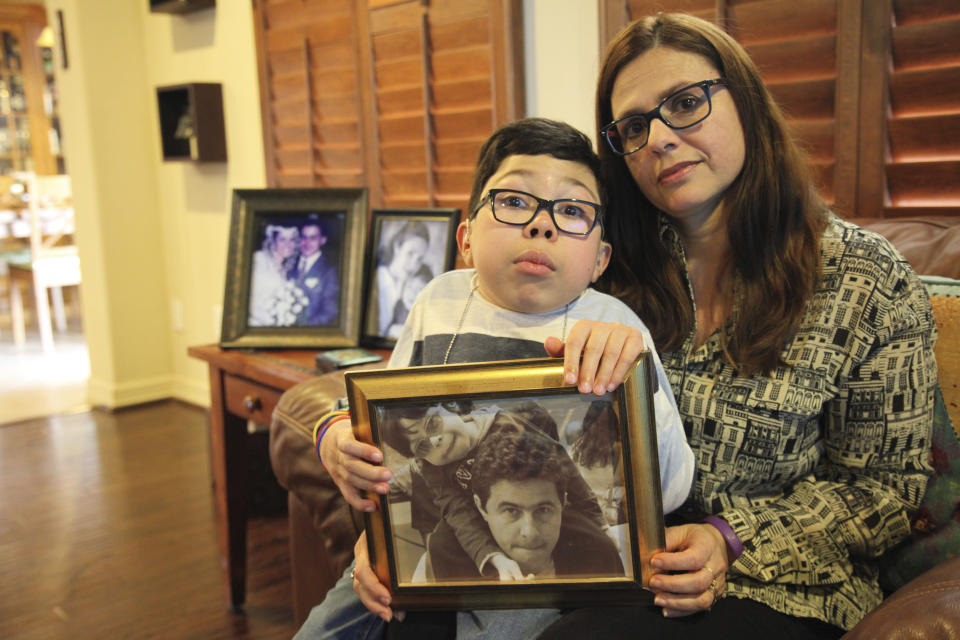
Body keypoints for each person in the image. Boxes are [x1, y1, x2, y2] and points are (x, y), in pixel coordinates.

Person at [537, 13, 938, 639]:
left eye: (686, 103)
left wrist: (730, 539)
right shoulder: (598, 267)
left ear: (745, 101)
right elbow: (482, 383)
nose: (661, 139)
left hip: (787, 591)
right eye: (635, 127)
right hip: (610, 572)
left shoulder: (863, 279)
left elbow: (886, 491)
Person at [293, 117, 696, 640]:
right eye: (514, 201)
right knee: (328, 625)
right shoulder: (438, 300)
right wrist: (338, 437)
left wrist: (630, 368)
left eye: (572, 210)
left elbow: (670, 487)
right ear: (465, 237)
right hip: (445, 537)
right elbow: (389, 417)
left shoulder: (614, 325)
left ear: (599, 259)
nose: (542, 225)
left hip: (536, 555)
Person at [378, 400, 618, 583]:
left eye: (433, 424)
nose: (436, 440)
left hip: (529, 506)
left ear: (452, 407)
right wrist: (493, 557)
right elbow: (455, 510)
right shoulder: (429, 465)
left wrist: (600, 523)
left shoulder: (506, 423)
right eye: (422, 445)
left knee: (590, 538)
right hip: (480, 516)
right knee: (441, 541)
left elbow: (563, 466)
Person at [423, 421, 624, 581]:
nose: (529, 532)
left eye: (543, 510)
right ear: (481, 508)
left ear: (562, 503)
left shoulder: (597, 551)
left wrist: (601, 526)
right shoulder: (445, 556)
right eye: (511, 511)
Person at [376, 220, 430, 337]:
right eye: (410, 253)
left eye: (419, 259)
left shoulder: (416, 287)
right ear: (397, 246)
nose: (414, 264)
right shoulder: (379, 279)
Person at [248, 224, 306, 326]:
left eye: (292, 240)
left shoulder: (285, 269)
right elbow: (251, 300)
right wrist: (274, 322)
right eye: (282, 239)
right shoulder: (260, 259)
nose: (288, 244)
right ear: (273, 241)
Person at [289, 216, 339, 326]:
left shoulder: (329, 271)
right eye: (304, 237)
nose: (307, 243)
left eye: (313, 238)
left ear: (322, 240)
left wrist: (303, 329)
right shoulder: (289, 264)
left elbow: (330, 312)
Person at [385, 263, 433, 339]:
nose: (412, 293)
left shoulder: (427, 318)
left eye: (419, 290)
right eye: (410, 287)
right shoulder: (398, 306)